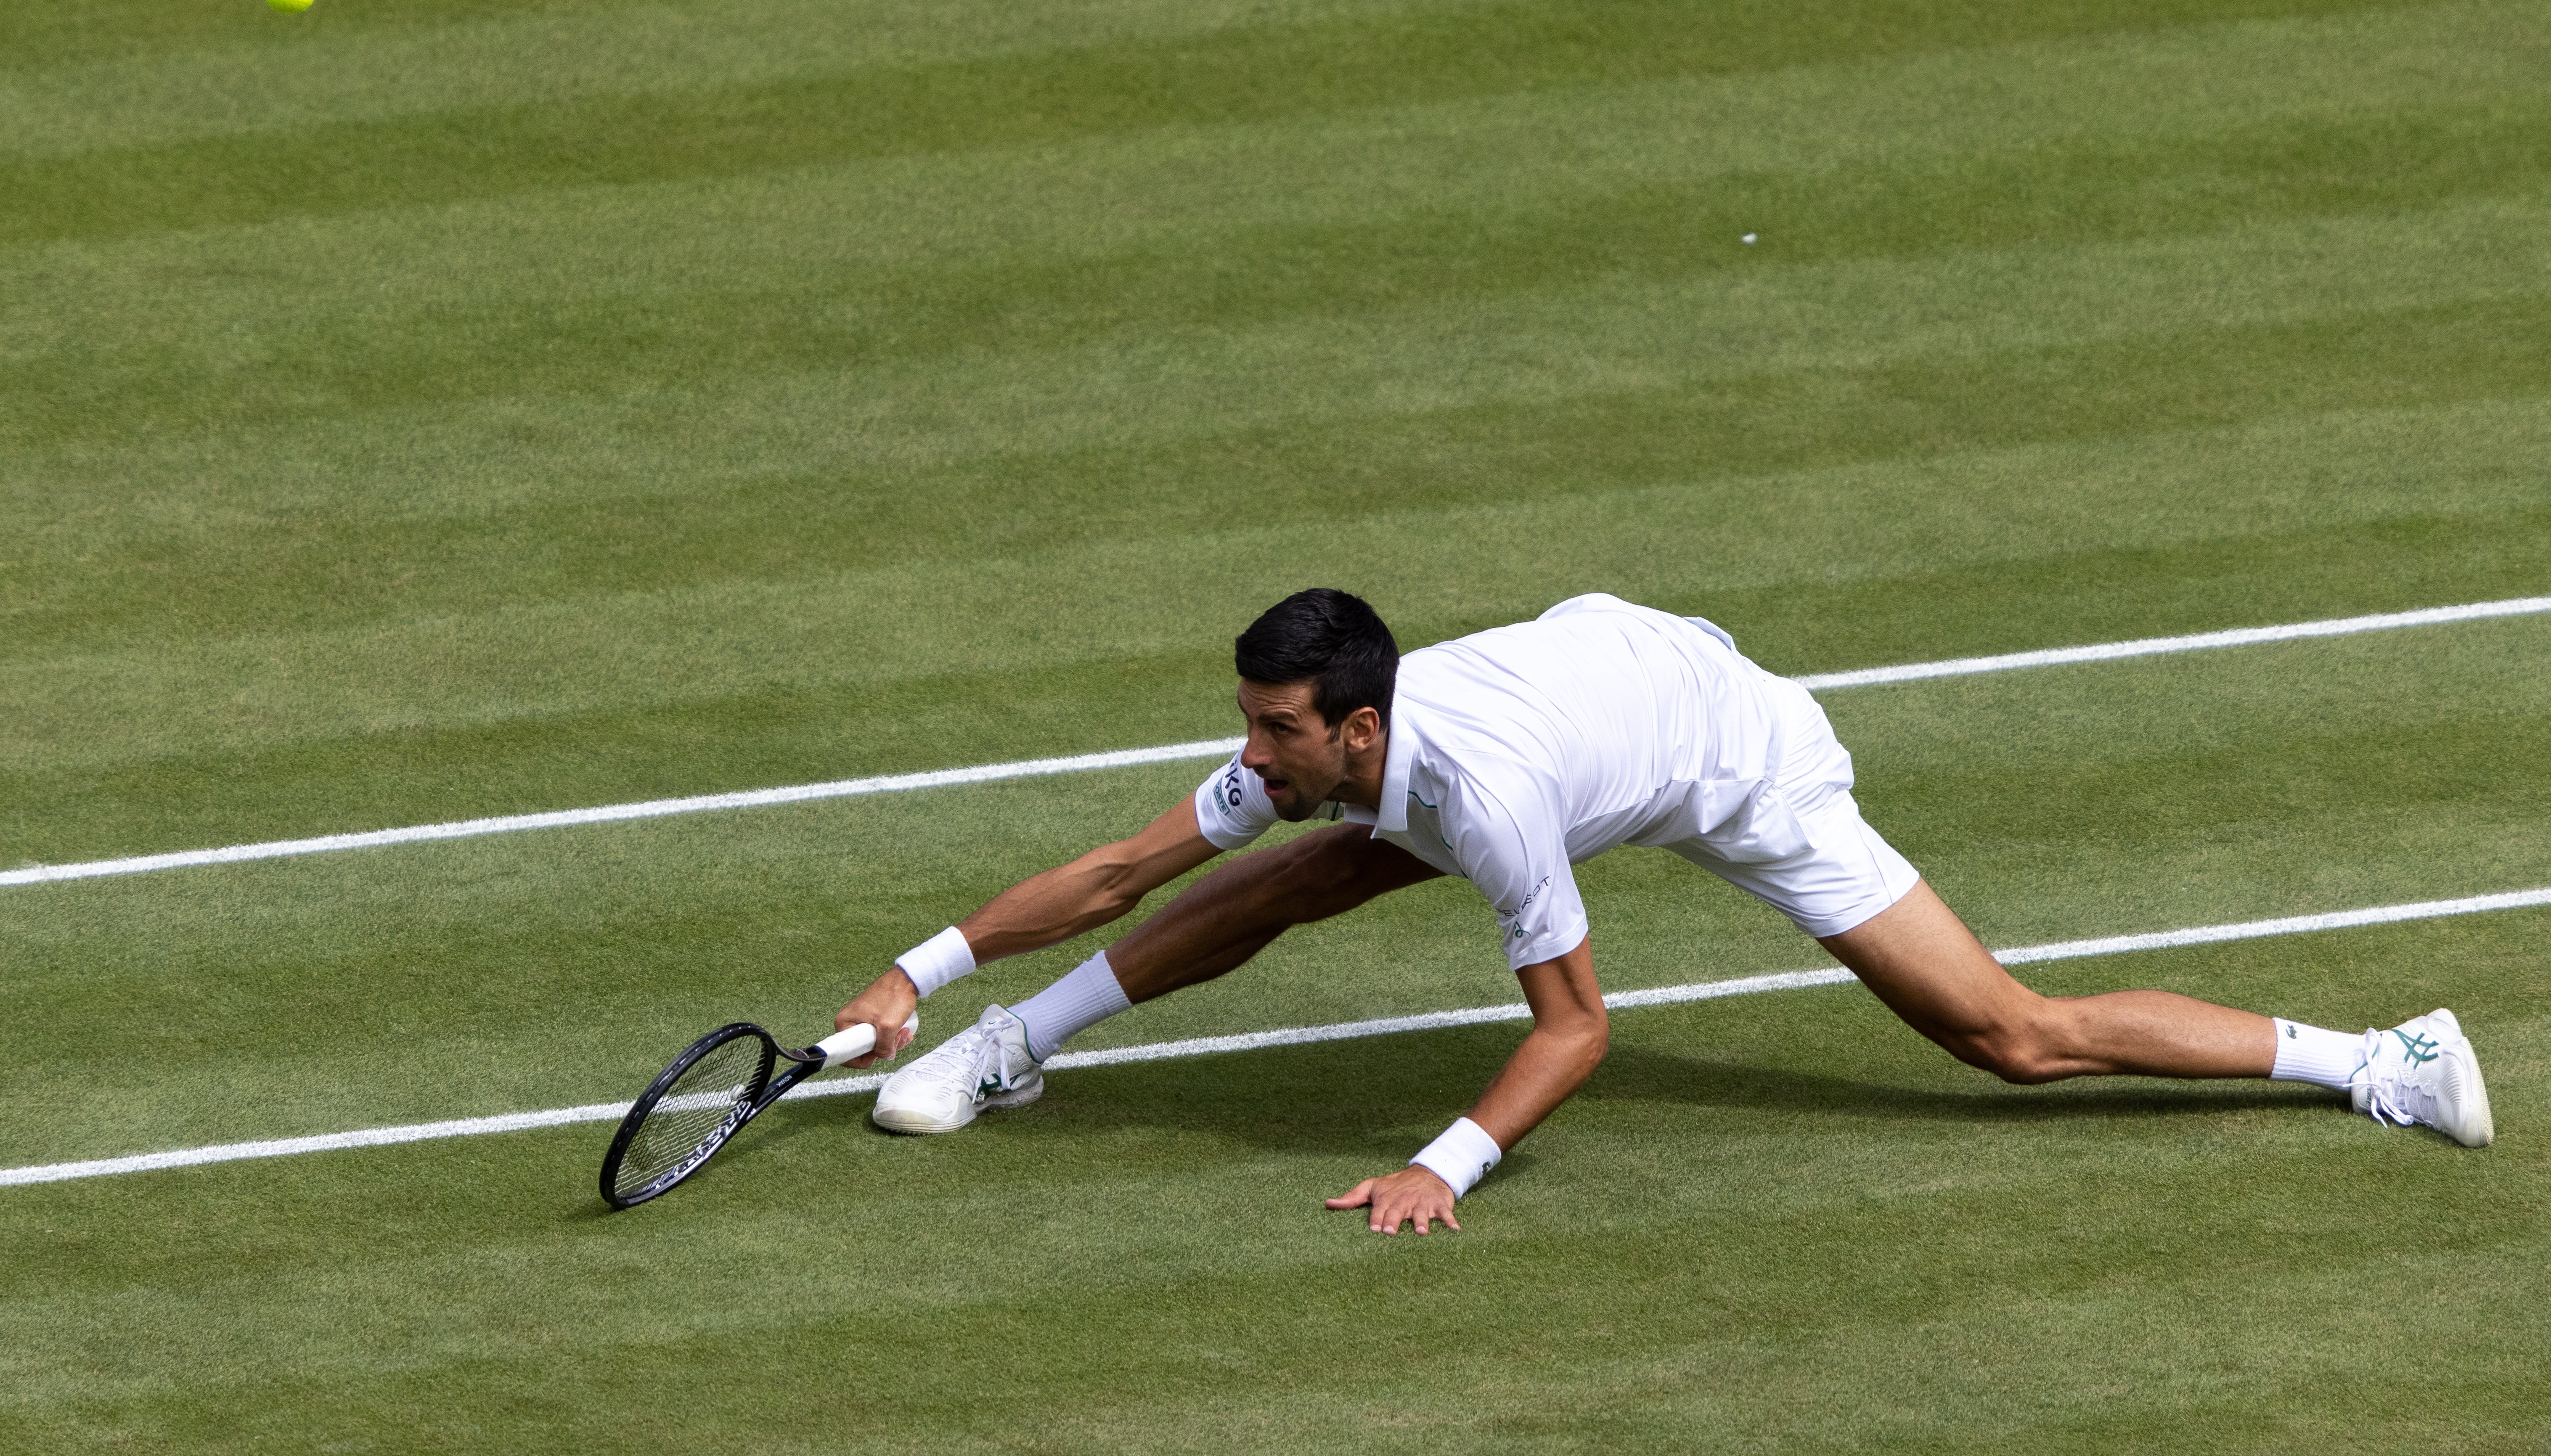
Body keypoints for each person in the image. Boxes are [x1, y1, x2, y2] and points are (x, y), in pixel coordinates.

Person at [833, 589, 2494, 1234]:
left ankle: (2379, 1056)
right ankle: (1004, 1048)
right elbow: (1122, 872)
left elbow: (1575, 1030)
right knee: (1287, 873)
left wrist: (1443, 1161)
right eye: (1247, 722)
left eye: (1274, 729)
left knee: (2011, 1037)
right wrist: (914, 976)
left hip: (1734, 759)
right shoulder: (1316, 756)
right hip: (1615, 681)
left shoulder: (1477, 802)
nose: (1247, 751)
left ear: (1355, 724)